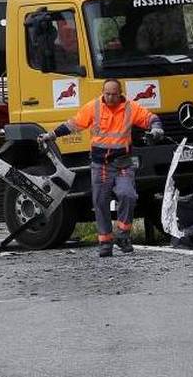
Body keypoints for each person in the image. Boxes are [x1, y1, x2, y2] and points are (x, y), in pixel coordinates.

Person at [40, 79, 163, 257]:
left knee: (127, 194)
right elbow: (74, 124)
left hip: (122, 163)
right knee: (100, 202)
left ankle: (122, 234)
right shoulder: (94, 107)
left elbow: (150, 118)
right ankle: (105, 242)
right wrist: (51, 135)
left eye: (114, 94)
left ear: (120, 93)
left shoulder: (130, 108)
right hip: (100, 165)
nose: (110, 97)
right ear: (102, 92)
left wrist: (156, 127)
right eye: (107, 94)